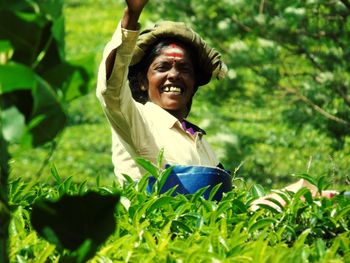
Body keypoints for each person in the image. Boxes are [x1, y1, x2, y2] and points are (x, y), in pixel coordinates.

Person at [97, 0, 337, 204]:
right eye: (162, 67)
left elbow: (226, 210)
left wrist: (298, 195)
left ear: (194, 83)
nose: (173, 75)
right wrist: (131, 16)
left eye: (184, 68)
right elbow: (111, 89)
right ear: (141, 81)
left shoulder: (200, 142)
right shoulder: (136, 120)